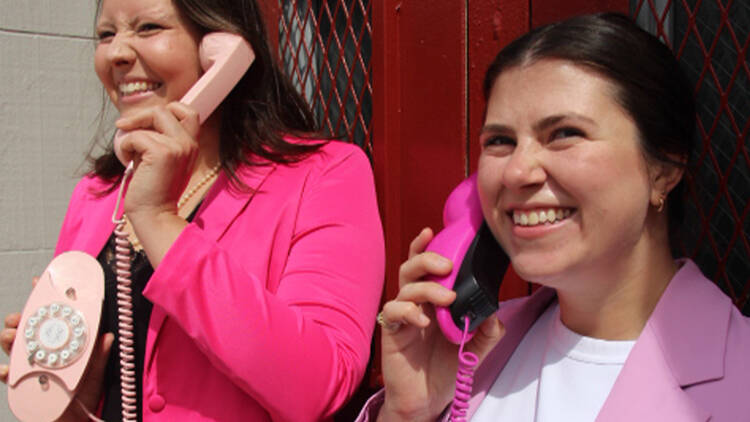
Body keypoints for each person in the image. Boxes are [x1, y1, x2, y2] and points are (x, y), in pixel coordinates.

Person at [0, 0, 384, 420]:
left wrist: (159, 220)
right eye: (106, 35)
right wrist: (73, 400)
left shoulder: (324, 175)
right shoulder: (97, 194)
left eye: (146, 27)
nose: (117, 53)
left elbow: (317, 385)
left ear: (223, 45)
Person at [361, 13, 750, 422]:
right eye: (500, 141)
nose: (516, 172)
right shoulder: (469, 352)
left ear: (665, 168)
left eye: (564, 133)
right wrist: (404, 413)